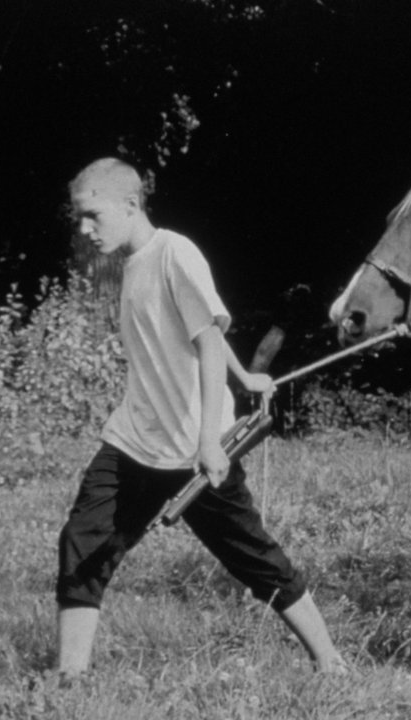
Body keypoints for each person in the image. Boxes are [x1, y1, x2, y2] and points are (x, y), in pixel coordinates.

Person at [55, 158, 345, 676]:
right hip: (133, 440)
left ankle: (330, 662)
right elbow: (205, 332)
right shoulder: (131, 264)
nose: (83, 229)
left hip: (194, 450)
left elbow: (208, 342)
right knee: (82, 542)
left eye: (92, 215)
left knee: (252, 557)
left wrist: (211, 441)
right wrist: (248, 375)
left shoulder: (174, 253)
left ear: (129, 204)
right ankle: (68, 681)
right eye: (78, 217)